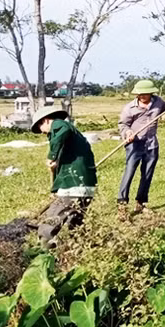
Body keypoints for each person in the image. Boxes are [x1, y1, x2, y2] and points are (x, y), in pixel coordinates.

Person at [31, 106, 97, 248]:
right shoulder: (69, 141)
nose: (43, 133)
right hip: (85, 186)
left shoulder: (60, 124)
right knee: (76, 224)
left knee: (51, 219)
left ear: (46, 121)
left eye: (40, 128)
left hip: (74, 187)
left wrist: (51, 156)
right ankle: (79, 252)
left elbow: (61, 130)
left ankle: (42, 252)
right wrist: (55, 187)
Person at [117, 80, 165, 217]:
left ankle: (141, 203)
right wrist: (128, 133)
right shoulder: (130, 108)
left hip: (151, 143)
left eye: (145, 94)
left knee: (147, 174)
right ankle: (122, 205)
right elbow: (123, 125)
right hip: (135, 143)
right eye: (140, 94)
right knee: (129, 172)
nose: (142, 96)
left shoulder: (157, 102)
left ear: (151, 93)